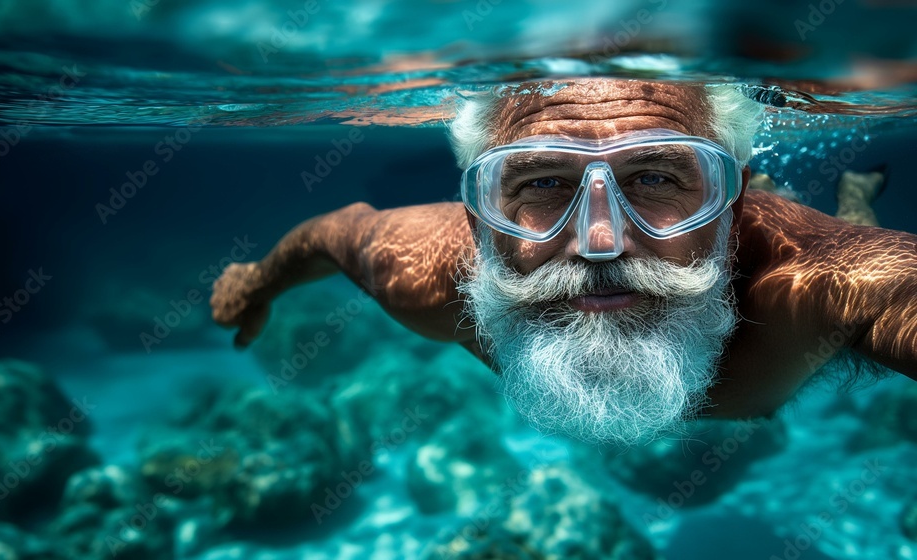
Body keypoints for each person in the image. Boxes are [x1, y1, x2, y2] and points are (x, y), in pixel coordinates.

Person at [210, 79, 917, 445]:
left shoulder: (821, 282)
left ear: (730, 215)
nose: (601, 242)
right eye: (545, 181)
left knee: (843, 221)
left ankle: (849, 197)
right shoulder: (423, 274)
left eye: (658, 177)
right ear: (479, 223)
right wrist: (260, 280)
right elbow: (337, 232)